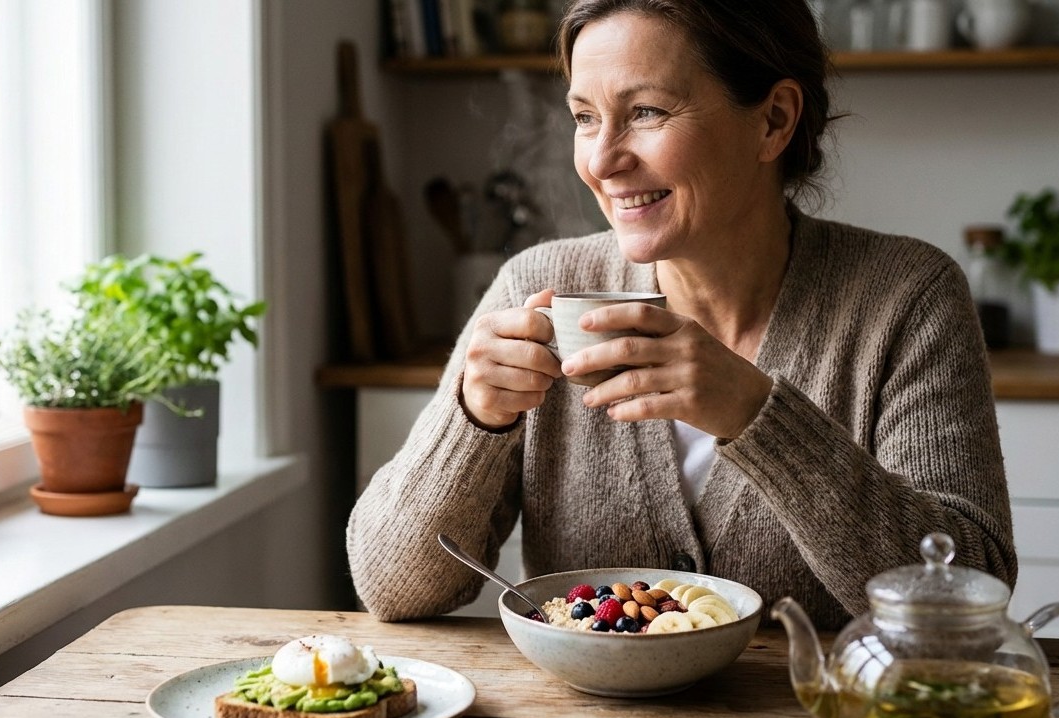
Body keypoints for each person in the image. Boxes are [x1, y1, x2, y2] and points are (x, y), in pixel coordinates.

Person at [347, 0, 1015, 630]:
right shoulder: (538, 287)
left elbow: (965, 595)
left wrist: (757, 417)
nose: (602, 160)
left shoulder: (905, 298)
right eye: (584, 117)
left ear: (773, 121)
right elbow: (391, 587)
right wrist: (474, 419)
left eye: (645, 111)